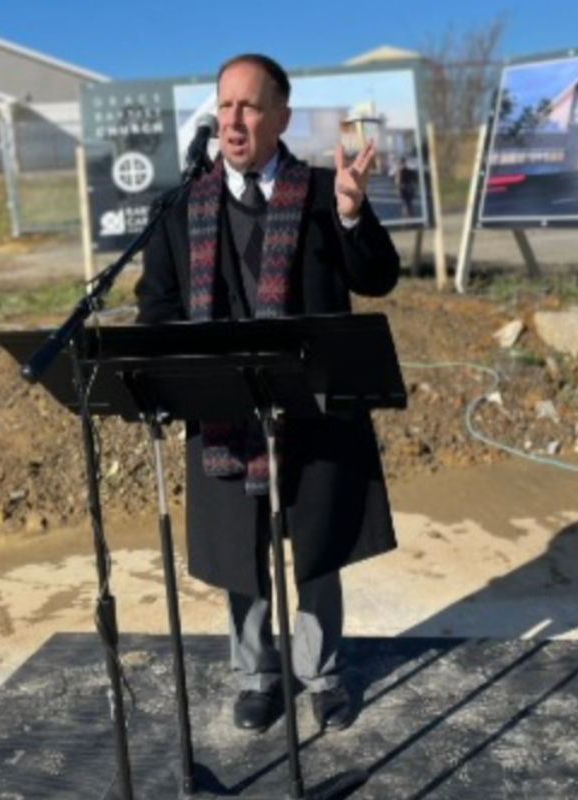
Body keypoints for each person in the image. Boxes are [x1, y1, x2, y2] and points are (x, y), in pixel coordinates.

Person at [135, 53, 400, 734]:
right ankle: (256, 674)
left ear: (280, 116)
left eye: (249, 106)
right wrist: (171, 373)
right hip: (222, 412)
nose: (233, 119)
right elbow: (156, 305)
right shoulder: (181, 205)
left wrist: (351, 215)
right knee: (239, 555)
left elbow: (377, 279)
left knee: (315, 549)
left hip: (311, 410)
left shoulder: (320, 192)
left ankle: (322, 673)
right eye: (225, 106)